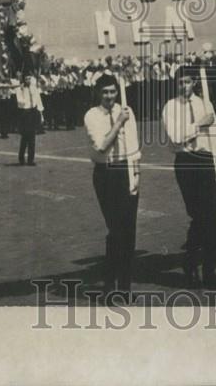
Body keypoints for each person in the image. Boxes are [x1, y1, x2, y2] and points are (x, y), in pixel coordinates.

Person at [162, 67, 216, 290]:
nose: (184, 86)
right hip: (186, 162)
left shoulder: (205, 104)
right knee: (198, 216)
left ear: (194, 82)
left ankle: (209, 270)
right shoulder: (170, 107)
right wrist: (199, 125)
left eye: (187, 82)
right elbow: (176, 136)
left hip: (205, 160)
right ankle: (190, 262)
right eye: (180, 82)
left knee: (213, 220)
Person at [85, 74, 141, 302]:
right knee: (116, 231)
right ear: (98, 93)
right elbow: (100, 146)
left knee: (129, 232)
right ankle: (109, 284)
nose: (109, 96)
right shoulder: (92, 115)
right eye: (105, 92)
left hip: (127, 170)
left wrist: (136, 174)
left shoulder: (126, 110)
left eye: (113, 92)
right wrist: (118, 123)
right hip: (106, 174)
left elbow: (134, 144)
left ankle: (125, 287)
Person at [15, 75, 44, 166]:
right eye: (26, 78)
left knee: (32, 137)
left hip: (33, 112)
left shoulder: (33, 88)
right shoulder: (20, 88)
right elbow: (19, 102)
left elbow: (38, 100)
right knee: (24, 137)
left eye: (29, 78)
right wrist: (22, 91)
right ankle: (21, 158)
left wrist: (41, 114)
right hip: (25, 113)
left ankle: (31, 159)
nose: (28, 80)